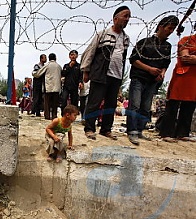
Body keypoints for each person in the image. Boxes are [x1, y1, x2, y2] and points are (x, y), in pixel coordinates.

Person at [126, 15, 179, 145]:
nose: (171, 31)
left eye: (173, 29)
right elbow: (134, 60)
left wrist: (162, 73)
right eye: (169, 28)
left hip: (153, 81)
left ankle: (139, 130)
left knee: (145, 106)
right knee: (135, 105)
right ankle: (132, 131)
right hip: (139, 78)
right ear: (161, 27)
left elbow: (166, 63)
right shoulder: (144, 42)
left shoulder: (166, 46)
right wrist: (149, 69)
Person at [80, 6, 131, 140]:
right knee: (94, 102)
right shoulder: (103, 34)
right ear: (115, 18)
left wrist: (121, 79)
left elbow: (123, 58)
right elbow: (90, 52)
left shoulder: (126, 39)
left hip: (116, 75)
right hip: (100, 73)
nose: (127, 19)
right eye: (125, 16)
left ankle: (106, 129)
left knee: (111, 104)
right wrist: (86, 71)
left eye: (128, 17)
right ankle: (90, 129)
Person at [159, 32, 196, 142]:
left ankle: (183, 133)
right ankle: (166, 133)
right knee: (173, 103)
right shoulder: (187, 40)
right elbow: (185, 57)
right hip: (183, 76)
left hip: (194, 79)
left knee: (190, 105)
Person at [33, 53, 62, 120]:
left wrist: (34, 73)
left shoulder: (47, 65)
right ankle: (54, 115)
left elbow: (38, 73)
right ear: (55, 58)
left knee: (47, 103)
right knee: (55, 103)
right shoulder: (59, 66)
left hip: (48, 87)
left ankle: (47, 116)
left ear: (49, 58)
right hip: (57, 87)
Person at [61, 50, 83, 114]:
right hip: (66, 86)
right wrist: (69, 67)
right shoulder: (66, 65)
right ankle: (63, 114)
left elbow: (80, 76)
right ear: (69, 56)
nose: (73, 56)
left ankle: (73, 115)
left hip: (74, 86)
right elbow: (63, 74)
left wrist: (80, 82)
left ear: (77, 56)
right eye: (71, 55)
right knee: (64, 100)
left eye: (74, 55)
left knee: (74, 102)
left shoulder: (79, 66)